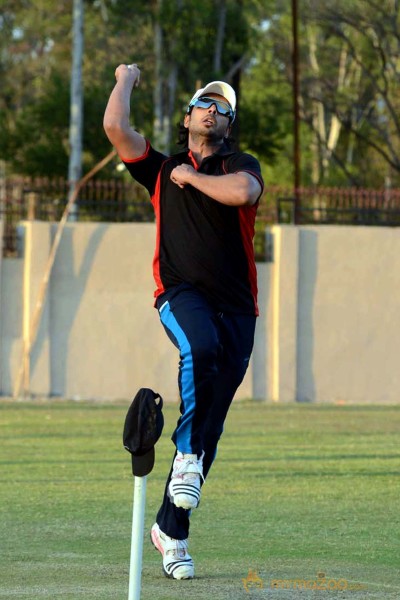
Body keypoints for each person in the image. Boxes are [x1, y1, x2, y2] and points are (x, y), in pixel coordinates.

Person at [104, 63, 264, 580]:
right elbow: (115, 130)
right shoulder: (159, 167)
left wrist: (193, 178)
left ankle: (171, 533)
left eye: (223, 108)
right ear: (190, 114)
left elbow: (244, 194)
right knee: (199, 347)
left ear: (228, 124)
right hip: (180, 293)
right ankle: (187, 452)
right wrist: (125, 79)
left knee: (212, 421)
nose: (213, 111)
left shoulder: (239, 165)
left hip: (238, 308)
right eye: (206, 103)